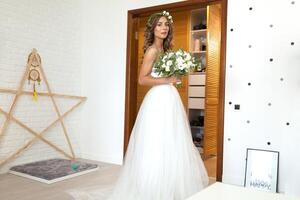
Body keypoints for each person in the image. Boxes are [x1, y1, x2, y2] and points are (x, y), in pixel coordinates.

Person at [68, 11, 209, 200]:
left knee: (172, 141)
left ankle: (170, 186)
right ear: (153, 29)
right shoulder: (152, 50)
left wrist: (175, 77)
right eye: (159, 24)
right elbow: (142, 79)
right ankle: (151, 188)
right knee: (156, 142)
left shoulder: (167, 51)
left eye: (166, 24)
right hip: (158, 100)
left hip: (170, 99)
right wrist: (167, 79)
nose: (164, 28)